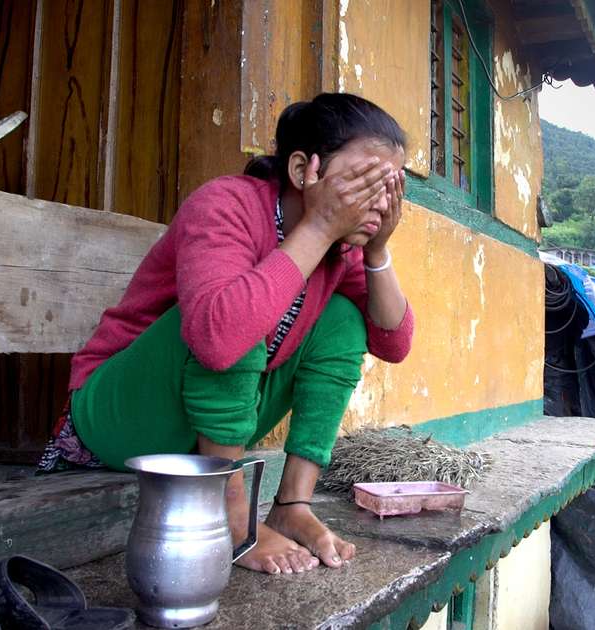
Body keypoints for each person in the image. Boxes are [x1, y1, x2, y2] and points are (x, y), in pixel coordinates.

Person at [37, 93, 414, 575]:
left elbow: (393, 343)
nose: (380, 202)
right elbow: (219, 336)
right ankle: (232, 518)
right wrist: (319, 226)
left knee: (342, 319)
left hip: (197, 433)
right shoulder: (225, 204)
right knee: (238, 314)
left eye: (391, 186)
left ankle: (292, 504)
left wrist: (378, 250)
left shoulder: (341, 252)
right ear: (304, 171)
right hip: (117, 421)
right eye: (363, 181)